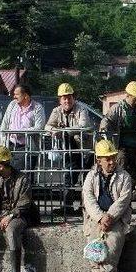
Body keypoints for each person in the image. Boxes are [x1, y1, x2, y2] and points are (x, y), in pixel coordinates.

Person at [82, 139, 133, 272]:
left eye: (113, 158)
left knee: (111, 252)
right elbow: (88, 198)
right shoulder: (91, 176)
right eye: (107, 159)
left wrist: (109, 216)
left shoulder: (124, 176)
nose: (112, 162)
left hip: (116, 220)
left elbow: (123, 200)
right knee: (95, 254)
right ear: (99, 160)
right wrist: (100, 217)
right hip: (96, 220)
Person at [45, 83, 91, 215]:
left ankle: (85, 208)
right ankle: (68, 207)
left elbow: (83, 126)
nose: (67, 100)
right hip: (68, 150)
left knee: (86, 180)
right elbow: (47, 126)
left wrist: (63, 131)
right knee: (68, 177)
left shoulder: (81, 109)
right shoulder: (56, 111)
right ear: (60, 100)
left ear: (73, 98)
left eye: (69, 97)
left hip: (85, 150)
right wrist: (54, 130)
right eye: (64, 98)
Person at [100, 81, 136, 189]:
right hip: (122, 149)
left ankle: (127, 203)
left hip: (135, 149)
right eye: (135, 97)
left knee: (133, 178)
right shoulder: (117, 108)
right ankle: (119, 202)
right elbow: (106, 120)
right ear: (128, 95)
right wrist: (105, 133)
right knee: (120, 177)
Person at [0, 84, 46, 169]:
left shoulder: (37, 108)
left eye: (17, 94)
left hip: (27, 147)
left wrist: (20, 132)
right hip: (10, 145)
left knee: (25, 175)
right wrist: (2, 142)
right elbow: (4, 123)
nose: (14, 97)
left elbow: (39, 127)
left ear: (25, 96)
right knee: (9, 173)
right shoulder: (12, 105)